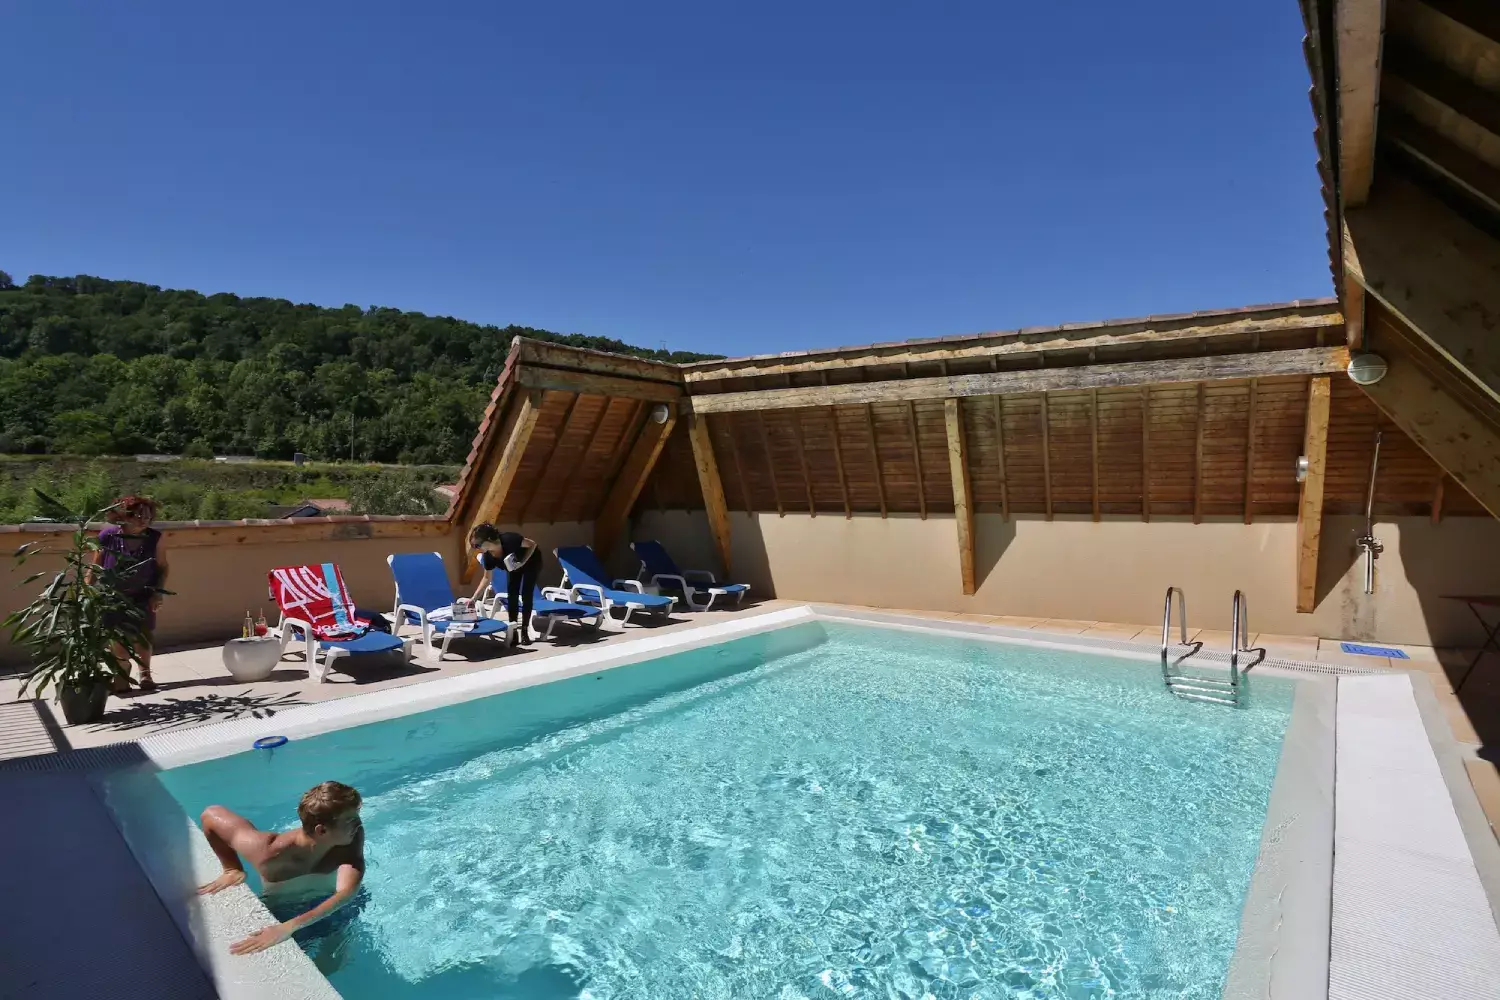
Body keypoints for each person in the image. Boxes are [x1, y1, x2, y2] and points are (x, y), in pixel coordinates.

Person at [196, 781, 366, 957]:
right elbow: (210, 815)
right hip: (283, 909)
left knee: (333, 961)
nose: (358, 824)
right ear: (322, 830)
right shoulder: (267, 852)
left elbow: (346, 893)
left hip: (331, 905)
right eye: (351, 820)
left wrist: (291, 926)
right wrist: (231, 868)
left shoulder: (350, 839)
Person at [91, 495, 169, 693]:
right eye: (139, 516)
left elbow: (163, 567)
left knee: (143, 634)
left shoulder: (154, 538)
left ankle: (145, 674)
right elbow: (95, 566)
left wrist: (158, 593)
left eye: (148, 516)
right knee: (116, 636)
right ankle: (122, 674)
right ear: (124, 515)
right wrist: (88, 592)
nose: (145, 520)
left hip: (143, 594)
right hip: (111, 595)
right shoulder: (108, 536)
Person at [468, 522, 541, 644]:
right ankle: (513, 632)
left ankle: (524, 630)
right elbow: (486, 578)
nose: (477, 548)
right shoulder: (488, 557)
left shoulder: (509, 540)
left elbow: (532, 545)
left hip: (531, 561)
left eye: (477, 545)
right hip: (513, 566)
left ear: (489, 539)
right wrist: (474, 599)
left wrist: (522, 562)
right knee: (512, 594)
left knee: (526, 594)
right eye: (474, 546)